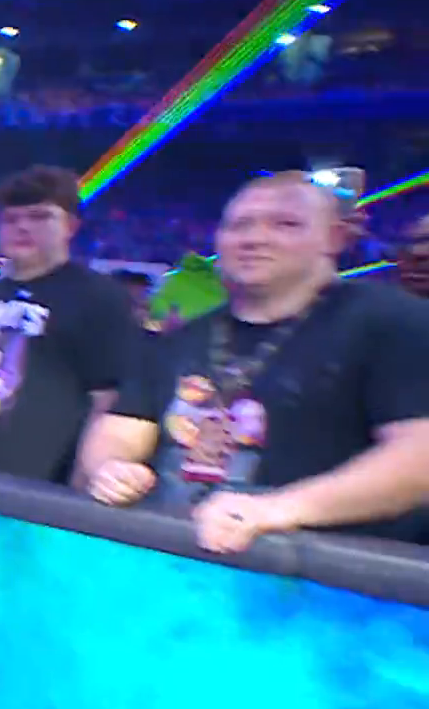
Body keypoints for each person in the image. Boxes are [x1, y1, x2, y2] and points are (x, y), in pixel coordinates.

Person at [76, 172, 429, 550]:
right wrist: (110, 467)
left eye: (286, 224)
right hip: (183, 563)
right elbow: (122, 426)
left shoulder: (392, 322)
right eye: (239, 225)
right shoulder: (182, 338)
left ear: (334, 238)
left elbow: (417, 458)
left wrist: (281, 510)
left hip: (325, 575)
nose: (255, 238)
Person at [0, 166, 141, 484]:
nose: (22, 227)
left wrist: (84, 480)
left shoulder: (98, 296)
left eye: (40, 217)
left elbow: (108, 399)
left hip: (35, 484)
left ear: (70, 226)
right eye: (11, 219)